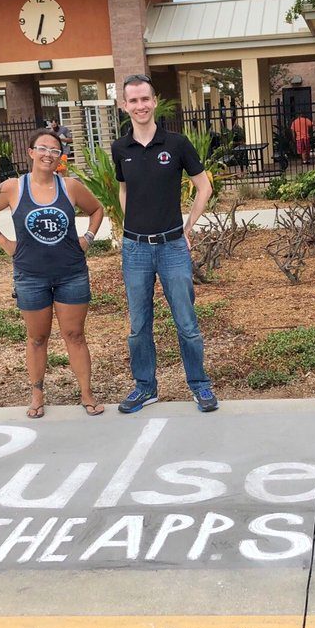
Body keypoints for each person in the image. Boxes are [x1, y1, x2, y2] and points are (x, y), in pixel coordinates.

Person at [0, 128, 106, 418]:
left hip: (71, 273)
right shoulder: (12, 188)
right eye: (43, 148)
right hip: (30, 276)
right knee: (36, 338)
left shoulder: (70, 186)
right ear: (31, 152)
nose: (48, 154)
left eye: (55, 150)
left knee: (75, 335)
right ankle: (36, 396)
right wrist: (6, 244)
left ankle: (86, 394)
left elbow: (97, 210)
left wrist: (88, 239)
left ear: (61, 157)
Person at [112, 73, 218, 413]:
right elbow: (124, 188)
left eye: (145, 99)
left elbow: (204, 187)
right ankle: (145, 387)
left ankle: (199, 385)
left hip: (173, 246)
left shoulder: (177, 144)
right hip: (135, 249)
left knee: (186, 323)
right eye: (134, 100)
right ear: (124, 105)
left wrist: (188, 227)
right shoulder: (120, 148)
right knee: (138, 325)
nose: (140, 105)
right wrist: (131, 225)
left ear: (154, 101)